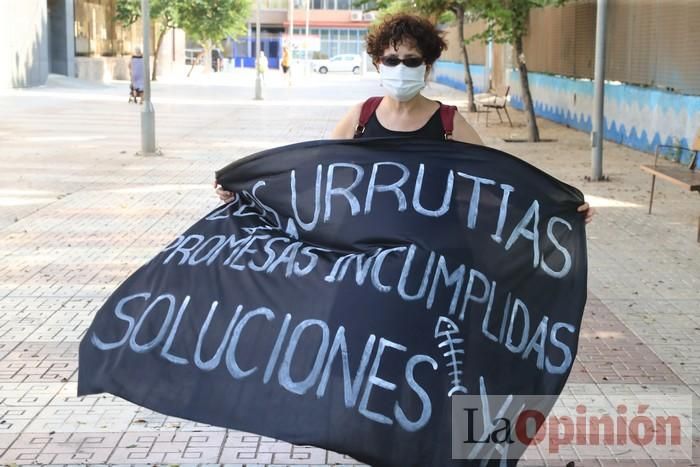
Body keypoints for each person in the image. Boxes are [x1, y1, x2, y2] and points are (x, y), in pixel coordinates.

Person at [217, 13, 594, 223]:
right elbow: (316, 180)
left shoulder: (448, 124)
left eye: (411, 60)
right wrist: (249, 195)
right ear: (378, 63)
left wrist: (556, 209)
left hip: (432, 266)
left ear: (426, 66)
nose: (400, 67)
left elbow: (494, 187)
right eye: (391, 59)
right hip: (363, 257)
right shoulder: (360, 118)